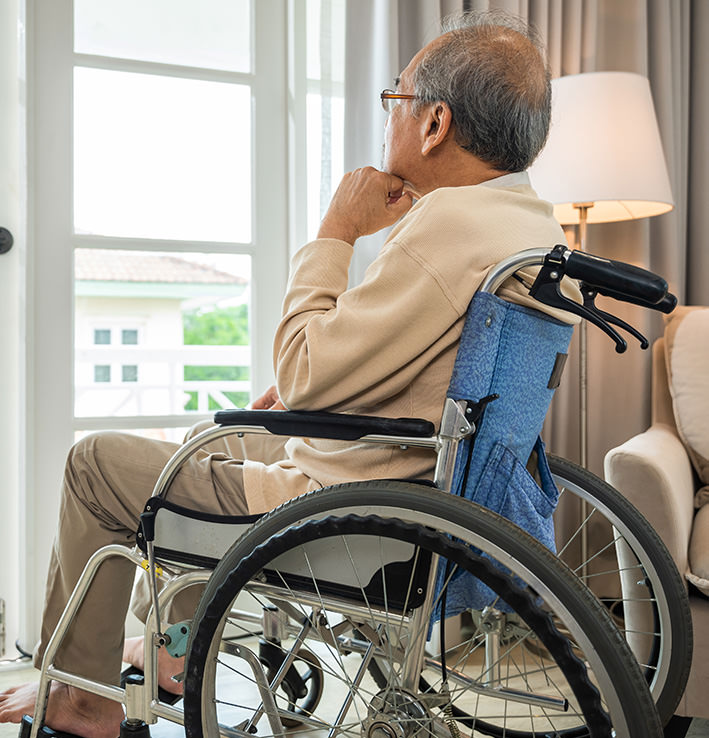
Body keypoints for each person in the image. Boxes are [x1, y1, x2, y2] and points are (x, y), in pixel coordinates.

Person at [0, 10, 579, 738]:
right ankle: (175, 650)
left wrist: (335, 229)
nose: (387, 120)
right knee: (208, 438)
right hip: (420, 475)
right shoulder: (531, 225)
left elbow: (302, 369)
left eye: (394, 101)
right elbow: (412, 372)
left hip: (350, 503)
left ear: (434, 123)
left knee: (94, 464)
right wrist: (313, 400)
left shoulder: (447, 226)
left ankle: (83, 700)